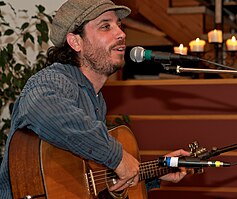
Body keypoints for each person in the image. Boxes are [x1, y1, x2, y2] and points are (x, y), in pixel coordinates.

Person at [0, 0, 191, 198]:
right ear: (76, 42)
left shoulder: (96, 100)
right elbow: (42, 109)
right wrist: (117, 157)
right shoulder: (54, 80)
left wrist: (156, 172)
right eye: (105, 26)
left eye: (119, 25)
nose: (121, 34)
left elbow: (87, 181)